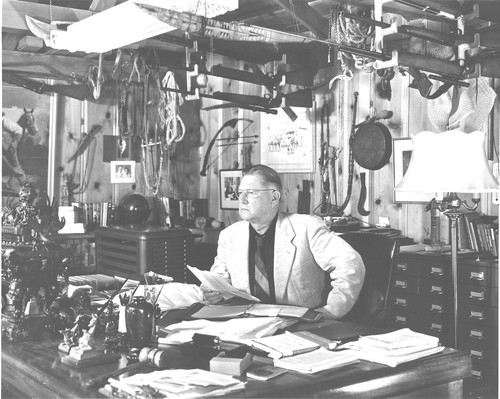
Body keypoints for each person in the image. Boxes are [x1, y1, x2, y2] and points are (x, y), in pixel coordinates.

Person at [201, 165, 365, 319]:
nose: (242, 199)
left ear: (274, 198)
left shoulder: (306, 228)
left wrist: (332, 311)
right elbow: (219, 279)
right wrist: (214, 294)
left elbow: (351, 264)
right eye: (240, 192)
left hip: (298, 324)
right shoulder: (229, 236)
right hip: (245, 321)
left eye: (250, 193)